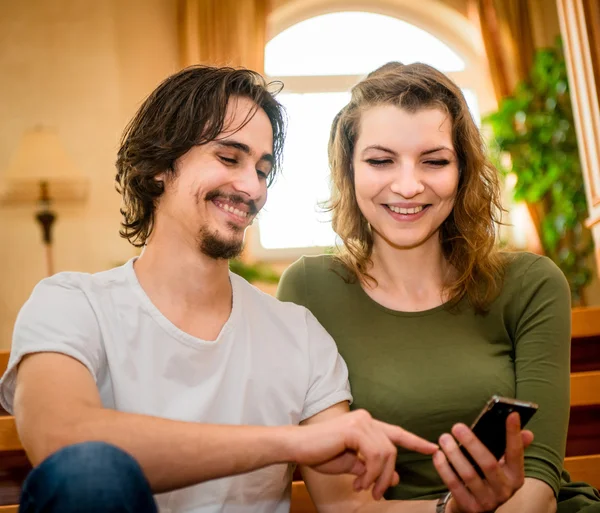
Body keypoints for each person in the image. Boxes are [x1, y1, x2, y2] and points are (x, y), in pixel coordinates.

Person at [0, 65, 442, 513]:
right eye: (229, 158)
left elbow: (353, 507)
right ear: (158, 167)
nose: (252, 187)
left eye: (263, 169)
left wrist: (453, 509)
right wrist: (291, 441)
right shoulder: (71, 304)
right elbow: (63, 440)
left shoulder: (299, 334)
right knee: (90, 475)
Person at [277, 61, 600, 513]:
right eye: (380, 160)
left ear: (463, 171)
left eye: (434, 161)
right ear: (348, 170)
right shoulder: (310, 290)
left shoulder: (532, 283)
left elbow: (539, 484)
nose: (408, 186)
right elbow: (344, 505)